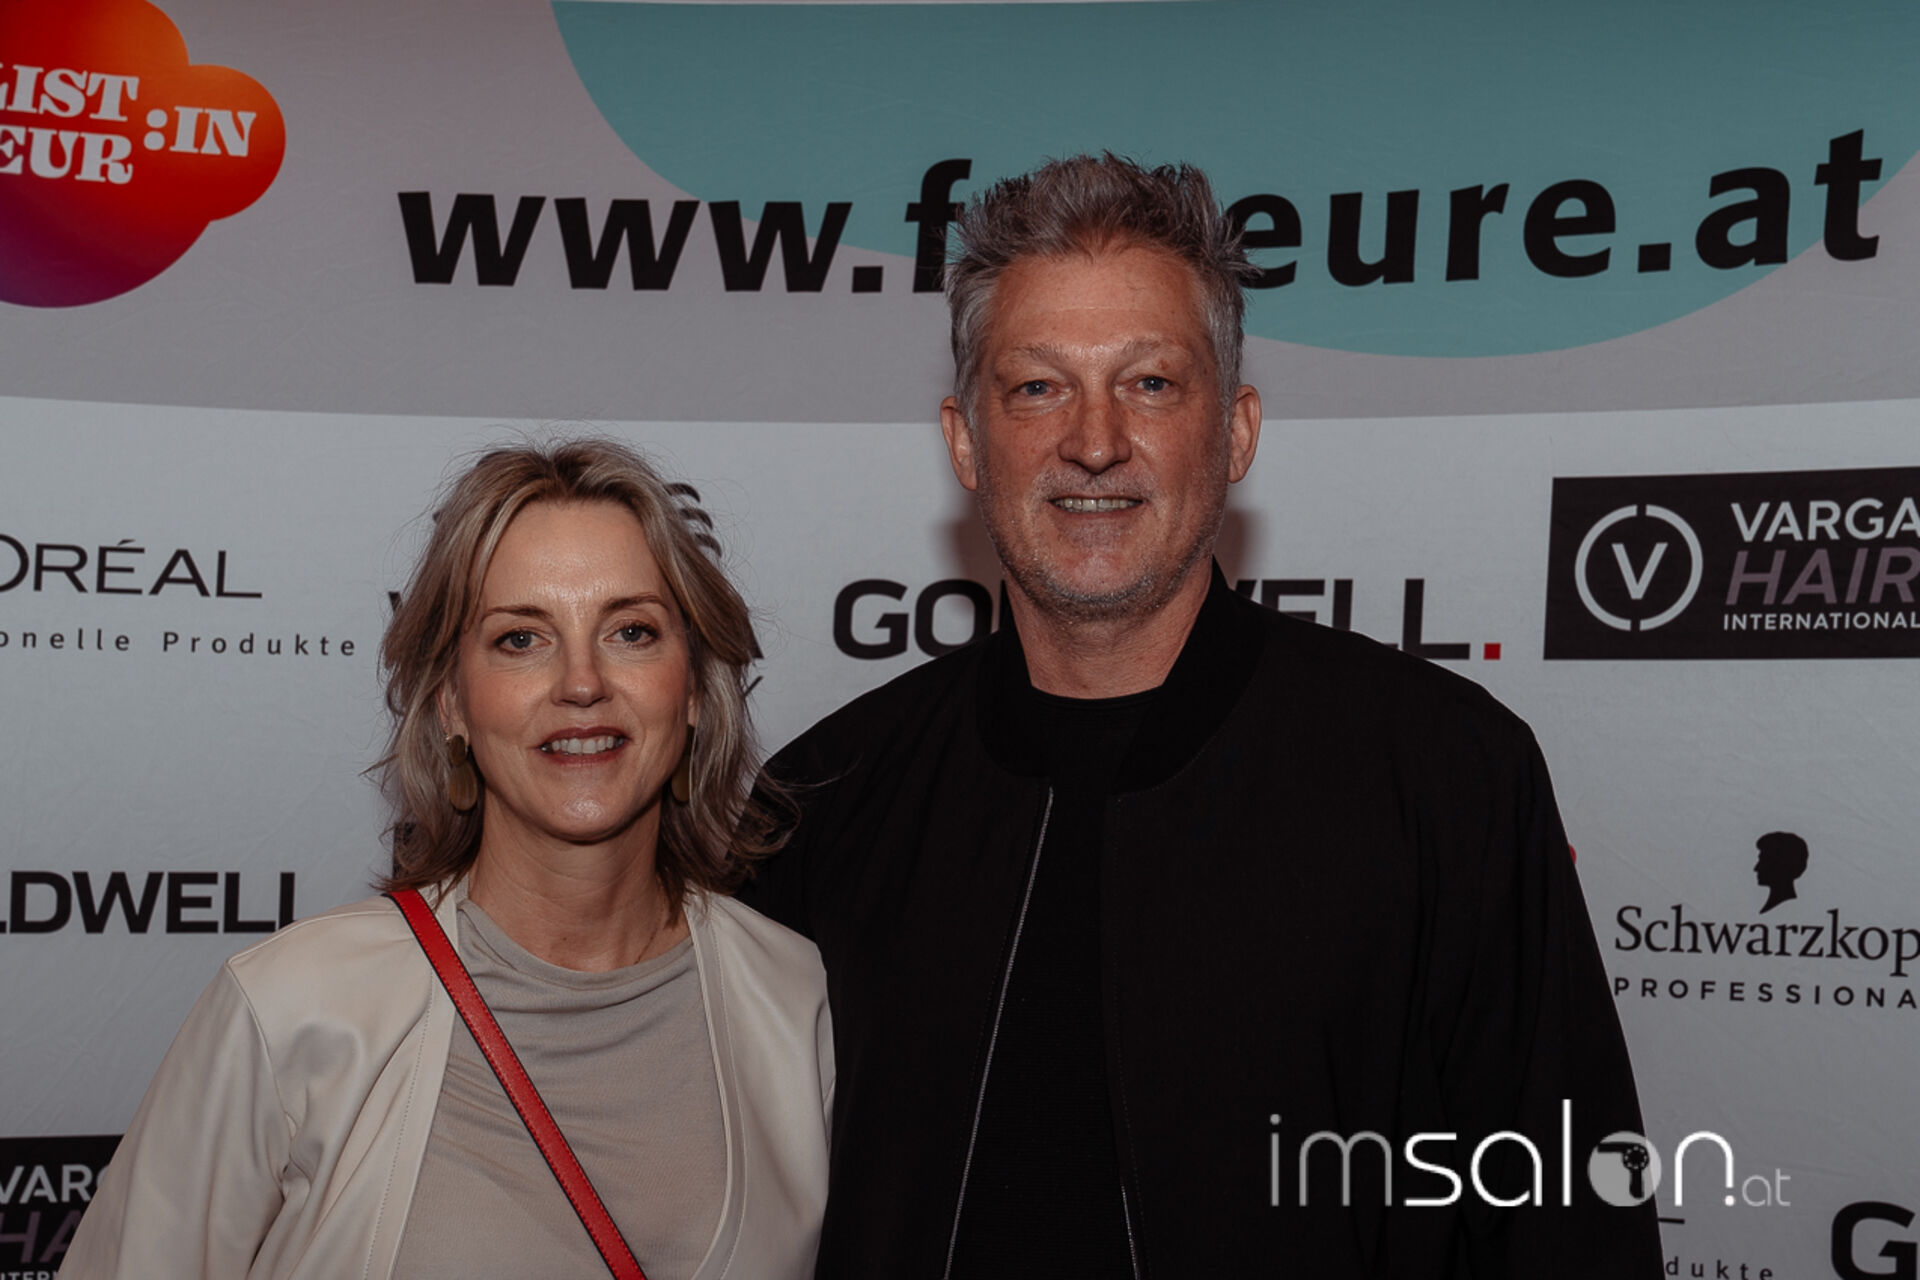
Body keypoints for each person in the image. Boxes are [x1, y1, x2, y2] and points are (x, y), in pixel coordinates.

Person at [741, 156, 1663, 1276]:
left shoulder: (1444, 776)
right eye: (1037, 388)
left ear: (1235, 431)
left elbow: (1568, 1225)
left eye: (1150, 383)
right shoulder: (827, 805)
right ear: (965, 440)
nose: (1094, 441)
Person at [64, 440, 832, 1280]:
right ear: (451, 704)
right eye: (520, 639)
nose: (582, 682)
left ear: (692, 691)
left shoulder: (793, 1001)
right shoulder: (295, 1008)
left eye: (632, 631)